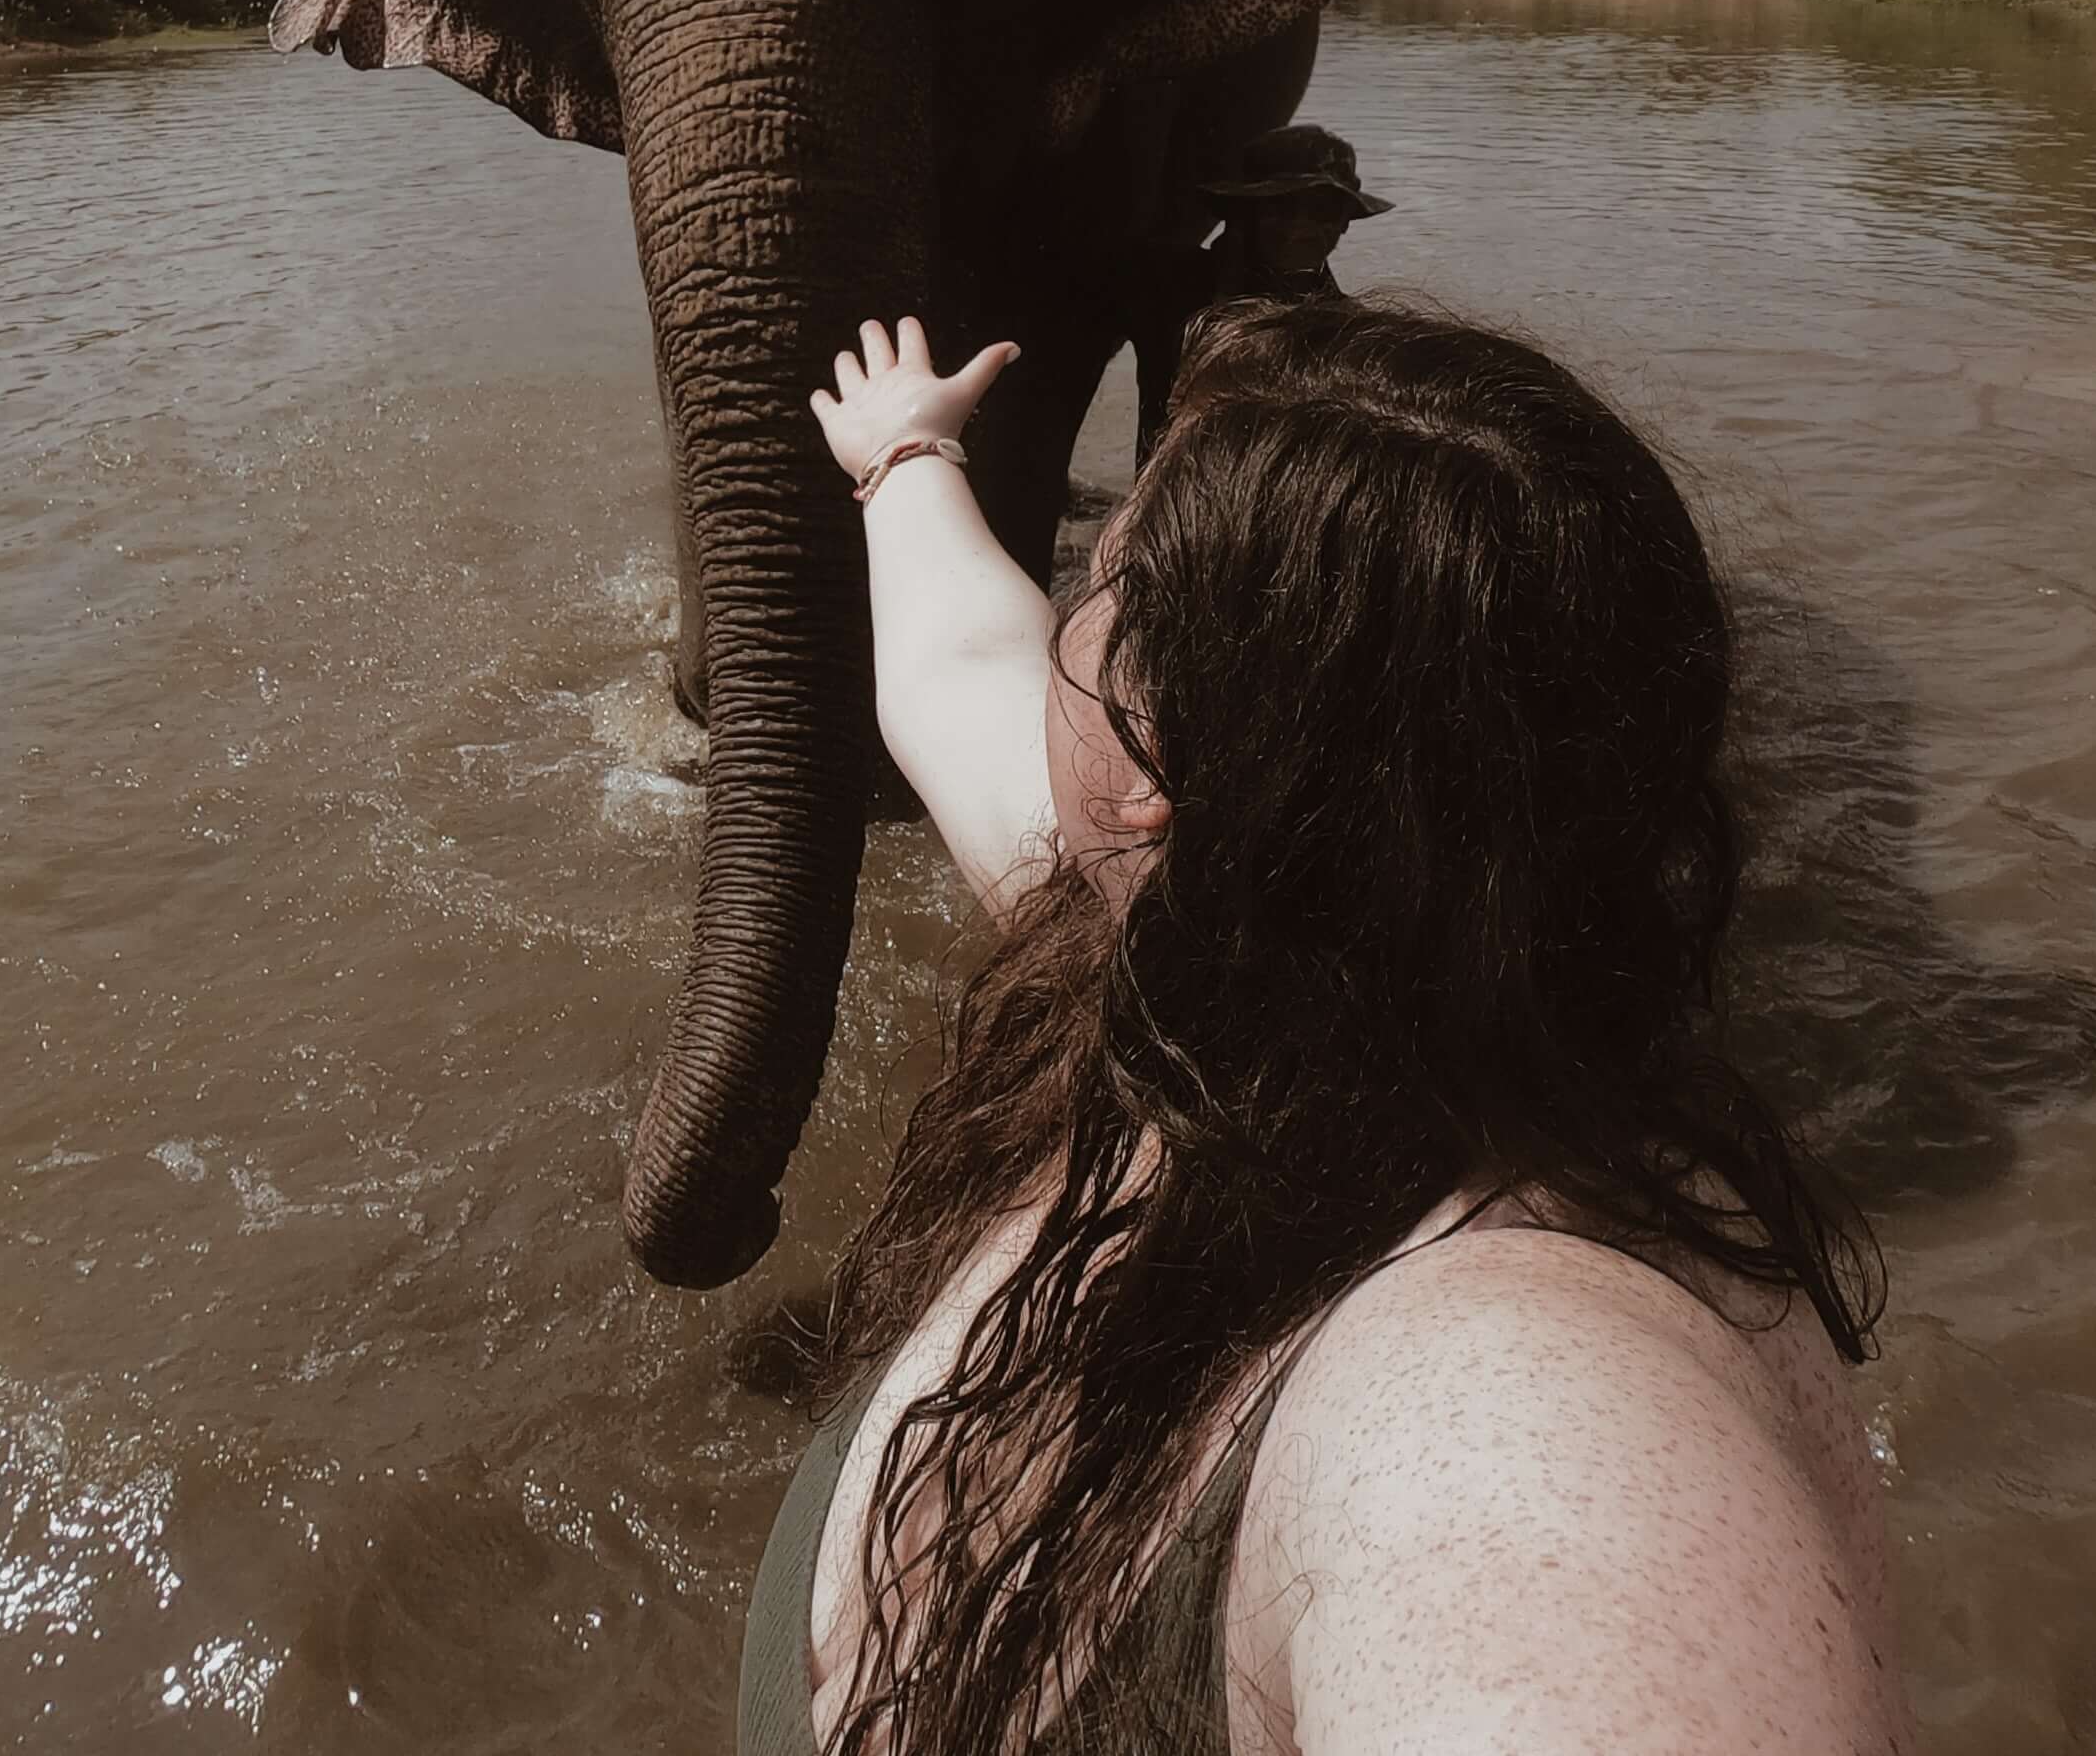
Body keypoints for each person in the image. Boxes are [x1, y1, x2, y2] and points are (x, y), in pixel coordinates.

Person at [748, 298, 1908, 1756]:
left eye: (1100, 586)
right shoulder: (1199, 985)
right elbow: (959, 666)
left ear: (1159, 755)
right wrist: (903, 455)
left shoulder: (1519, 1424)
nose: (1062, 628)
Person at [1126, 124, 1392, 463]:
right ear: (1245, 213)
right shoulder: (1169, 285)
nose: (1299, 227)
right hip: (1169, 500)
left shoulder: (1348, 332)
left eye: (1322, 210)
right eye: (1280, 208)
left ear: (1344, 222)